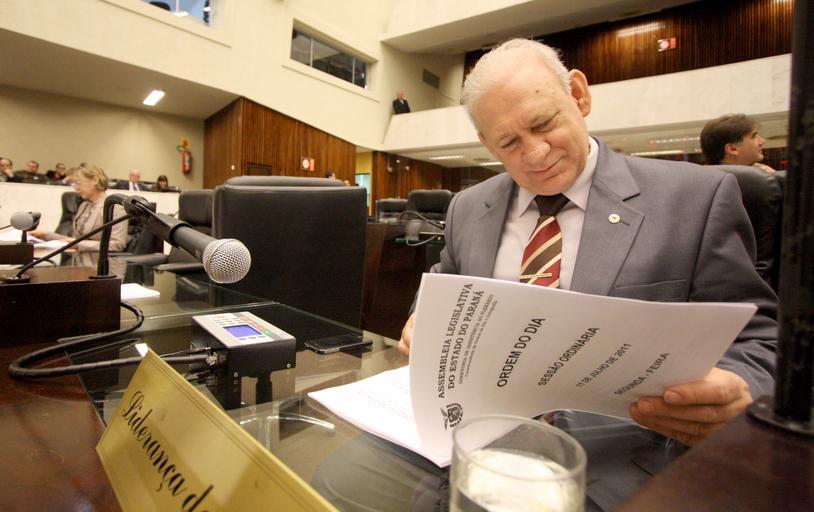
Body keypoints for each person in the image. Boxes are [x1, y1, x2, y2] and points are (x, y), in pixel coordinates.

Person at [398, 39, 777, 447]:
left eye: (543, 124)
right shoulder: (468, 208)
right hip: (474, 438)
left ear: (579, 95)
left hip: (627, 453)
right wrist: (422, 322)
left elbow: (761, 341)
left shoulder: (696, 199)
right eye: (509, 143)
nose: (536, 153)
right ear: (487, 144)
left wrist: (735, 389)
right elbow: (442, 288)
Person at [30, 162, 128, 253]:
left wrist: (78, 245)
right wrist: (45, 235)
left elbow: (117, 245)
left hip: (102, 263)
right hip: (79, 259)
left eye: (79, 183)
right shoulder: (84, 206)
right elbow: (74, 240)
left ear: (95, 180)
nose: (76, 188)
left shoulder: (114, 208)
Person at [700, 113, 775, 171]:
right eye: (753, 136)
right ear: (732, 149)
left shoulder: (706, 181)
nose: (762, 141)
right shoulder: (760, 181)